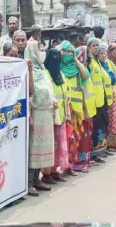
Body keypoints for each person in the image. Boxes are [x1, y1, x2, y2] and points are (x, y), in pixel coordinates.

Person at [25, 39, 56, 196]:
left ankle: (37, 179)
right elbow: (30, 94)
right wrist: (29, 116)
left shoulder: (42, 70)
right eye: (38, 49)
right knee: (34, 148)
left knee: (42, 148)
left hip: (46, 113)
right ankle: (29, 182)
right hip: (36, 113)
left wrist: (53, 100)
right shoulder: (28, 70)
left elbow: (49, 88)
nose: (41, 52)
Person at [58, 41, 92, 174]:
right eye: (66, 52)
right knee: (67, 138)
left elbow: (86, 75)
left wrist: (76, 61)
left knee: (76, 137)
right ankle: (67, 165)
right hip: (64, 110)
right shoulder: (59, 68)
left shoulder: (77, 69)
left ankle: (74, 164)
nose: (69, 55)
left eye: (71, 52)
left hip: (77, 109)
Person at [43, 48, 72, 183]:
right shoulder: (45, 74)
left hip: (61, 115)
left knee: (59, 146)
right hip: (50, 115)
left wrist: (67, 113)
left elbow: (66, 94)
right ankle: (46, 173)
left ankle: (55, 171)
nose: (55, 60)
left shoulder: (61, 74)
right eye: (52, 57)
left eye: (57, 57)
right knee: (50, 147)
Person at [86, 38, 109, 164]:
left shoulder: (97, 62)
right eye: (93, 45)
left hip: (101, 100)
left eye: (97, 45)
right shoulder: (89, 61)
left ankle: (97, 153)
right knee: (93, 129)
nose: (96, 47)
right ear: (88, 47)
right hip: (93, 101)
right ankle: (91, 154)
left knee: (100, 127)